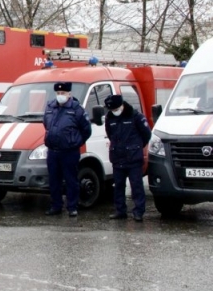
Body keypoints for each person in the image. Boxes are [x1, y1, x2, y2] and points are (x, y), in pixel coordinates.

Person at [43, 82, 92, 217]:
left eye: (63, 93)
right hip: (53, 151)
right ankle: (56, 206)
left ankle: (72, 207)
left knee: (71, 180)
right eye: (58, 93)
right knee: (54, 180)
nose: (60, 96)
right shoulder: (50, 107)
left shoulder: (77, 109)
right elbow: (46, 124)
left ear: (69, 94)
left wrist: (76, 142)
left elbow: (86, 130)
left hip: (69, 151)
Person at [104, 94, 152, 221]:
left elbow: (146, 134)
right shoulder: (110, 117)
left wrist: (136, 146)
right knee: (118, 186)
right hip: (117, 157)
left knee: (136, 186)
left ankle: (138, 211)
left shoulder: (135, 116)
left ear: (122, 105)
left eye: (116, 109)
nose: (114, 112)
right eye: (112, 110)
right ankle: (120, 211)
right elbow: (110, 134)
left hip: (133, 158)